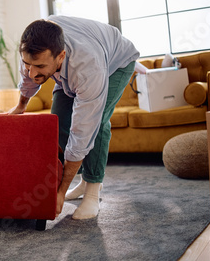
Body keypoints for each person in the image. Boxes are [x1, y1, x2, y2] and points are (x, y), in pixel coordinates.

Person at [9, 15, 140, 220]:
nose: (32, 72)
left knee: (97, 124)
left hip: (116, 63)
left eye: (40, 67)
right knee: (59, 123)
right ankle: (82, 182)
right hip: (71, 69)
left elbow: (83, 131)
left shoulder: (88, 67)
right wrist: (20, 106)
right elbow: (28, 79)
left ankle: (92, 191)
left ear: (60, 56)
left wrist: (61, 192)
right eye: (27, 64)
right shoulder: (33, 49)